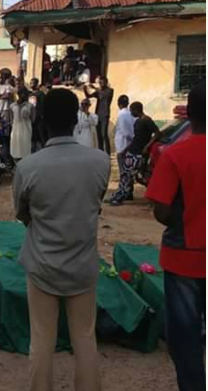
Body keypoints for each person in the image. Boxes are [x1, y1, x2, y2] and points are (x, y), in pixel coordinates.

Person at [13, 88, 109, 391]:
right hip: (82, 264)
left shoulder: (28, 167)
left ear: (42, 120)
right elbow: (96, 202)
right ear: (75, 119)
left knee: (41, 340)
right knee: (85, 338)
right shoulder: (101, 161)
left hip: (42, 265)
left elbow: (22, 214)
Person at [146, 84, 205, 391]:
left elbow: (161, 210)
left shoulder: (176, 155)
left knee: (186, 338)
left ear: (188, 114)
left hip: (184, 259)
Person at [110, 101, 160, 206]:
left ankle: (121, 196)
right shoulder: (138, 121)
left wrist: (147, 146)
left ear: (137, 110)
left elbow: (157, 133)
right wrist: (125, 150)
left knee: (133, 175)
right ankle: (124, 194)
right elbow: (135, 138)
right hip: (133, 151)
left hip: (140, 153)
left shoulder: (147, 120)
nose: (131, 113)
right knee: (128, 174)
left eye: (132, 110)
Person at [83, 76, 114, 154]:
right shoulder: (98, 91)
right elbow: (88, 96)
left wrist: (94, 87)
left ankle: (107, 153)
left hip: (105, 114)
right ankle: (100, 152)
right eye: (100, 82)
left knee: (104, 134)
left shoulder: (110, 90)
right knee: (99, 135)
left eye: (102, 82)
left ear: (106, 82)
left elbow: (104, 95)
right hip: (98, 114)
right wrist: (85, 89)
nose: (100, 84)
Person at [114, 95, 135, 199]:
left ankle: (123, 192)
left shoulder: (121, 114)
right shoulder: (131, 114)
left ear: (119, 104)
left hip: (123, 146)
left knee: (123, 171)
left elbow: (125, 132)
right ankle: (129, 191)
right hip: (130, 146)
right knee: (129, 170)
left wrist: (125, 146)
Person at [10, 88, 33, 161]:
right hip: (15, 130)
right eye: (25, 94)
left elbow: (33, 119)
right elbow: (11, 119)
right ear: (19, 95)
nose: (26, 96)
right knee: (15, 148)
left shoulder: (30, 106)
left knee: (26, 148)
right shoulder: (12, 105)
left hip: (26, 130)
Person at [29, 79, 47, 151]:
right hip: (31, 119)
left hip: (38, 119)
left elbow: (43, 105)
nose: (31, 84)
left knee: (40, 136)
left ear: (36, 84)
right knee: (32, 137)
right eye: (30, 83)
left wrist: (41, 115)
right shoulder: (30, 94)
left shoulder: (40, 94)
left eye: (32, 83)